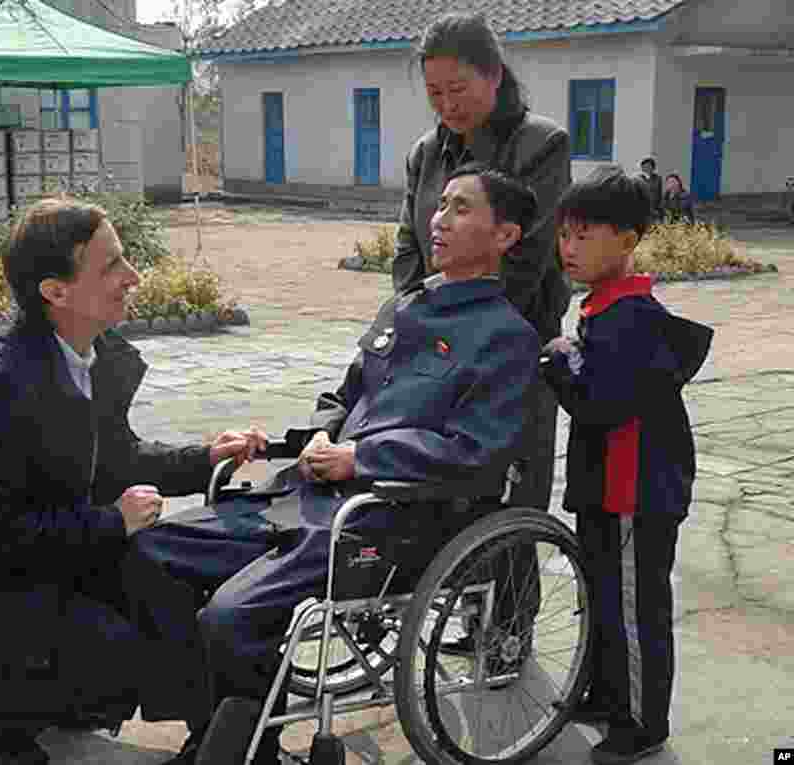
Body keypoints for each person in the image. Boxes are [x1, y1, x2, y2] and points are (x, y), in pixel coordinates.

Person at [136, 164, 542, 765]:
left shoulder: (506, 338)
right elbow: (346, 395)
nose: (439, 219)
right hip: (300, 497)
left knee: (229, 616)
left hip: (382, 520)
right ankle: (218, 729)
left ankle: (245, 749)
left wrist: (361, 457)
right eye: (441, 204)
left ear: (504, 236)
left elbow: (474, 454)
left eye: (461, 208)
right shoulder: (404, 307)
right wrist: (321, 436)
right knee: (150, 554)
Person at [0, 196, 267, 765]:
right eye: (112, 267)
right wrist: (111, 521)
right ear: (56, 292)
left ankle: (222, 742)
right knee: (119, 655)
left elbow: (116, 457)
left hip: (57, 555)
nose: (133, 276)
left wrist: (203, 457)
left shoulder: (91, 353)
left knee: (174, 590)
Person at [542, 168, 712, 765]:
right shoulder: (605, 307)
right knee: (603, 598)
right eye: (565, 235)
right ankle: (610, 694)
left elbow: (600, 403)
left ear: (628, 239)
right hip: (604, 489)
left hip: (636, 491)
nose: (569, 248)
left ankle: (643, 725)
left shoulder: (633, 317)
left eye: (585, 235)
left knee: (638, 612)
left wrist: (560, 363)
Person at [392, 11, 571, 519]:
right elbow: (409, 245)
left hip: (509, 340)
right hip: (433, 339)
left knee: (509, 488)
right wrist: (412, 319)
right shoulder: (426, 153)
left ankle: (517, 599)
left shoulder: (541, 144)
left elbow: (526, 258)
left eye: (458, 89)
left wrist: (461, 328)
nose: (447, 105)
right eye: (434, 93)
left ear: (493, 74)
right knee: (427, 489)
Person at [638, 157, 664, 222]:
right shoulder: (638, 179)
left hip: (654, 211)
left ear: (653, 168)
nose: (647, 168)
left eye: (649, 166)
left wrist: (659, 210)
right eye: (644, 166)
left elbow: (659, 195)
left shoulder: (658, 179)